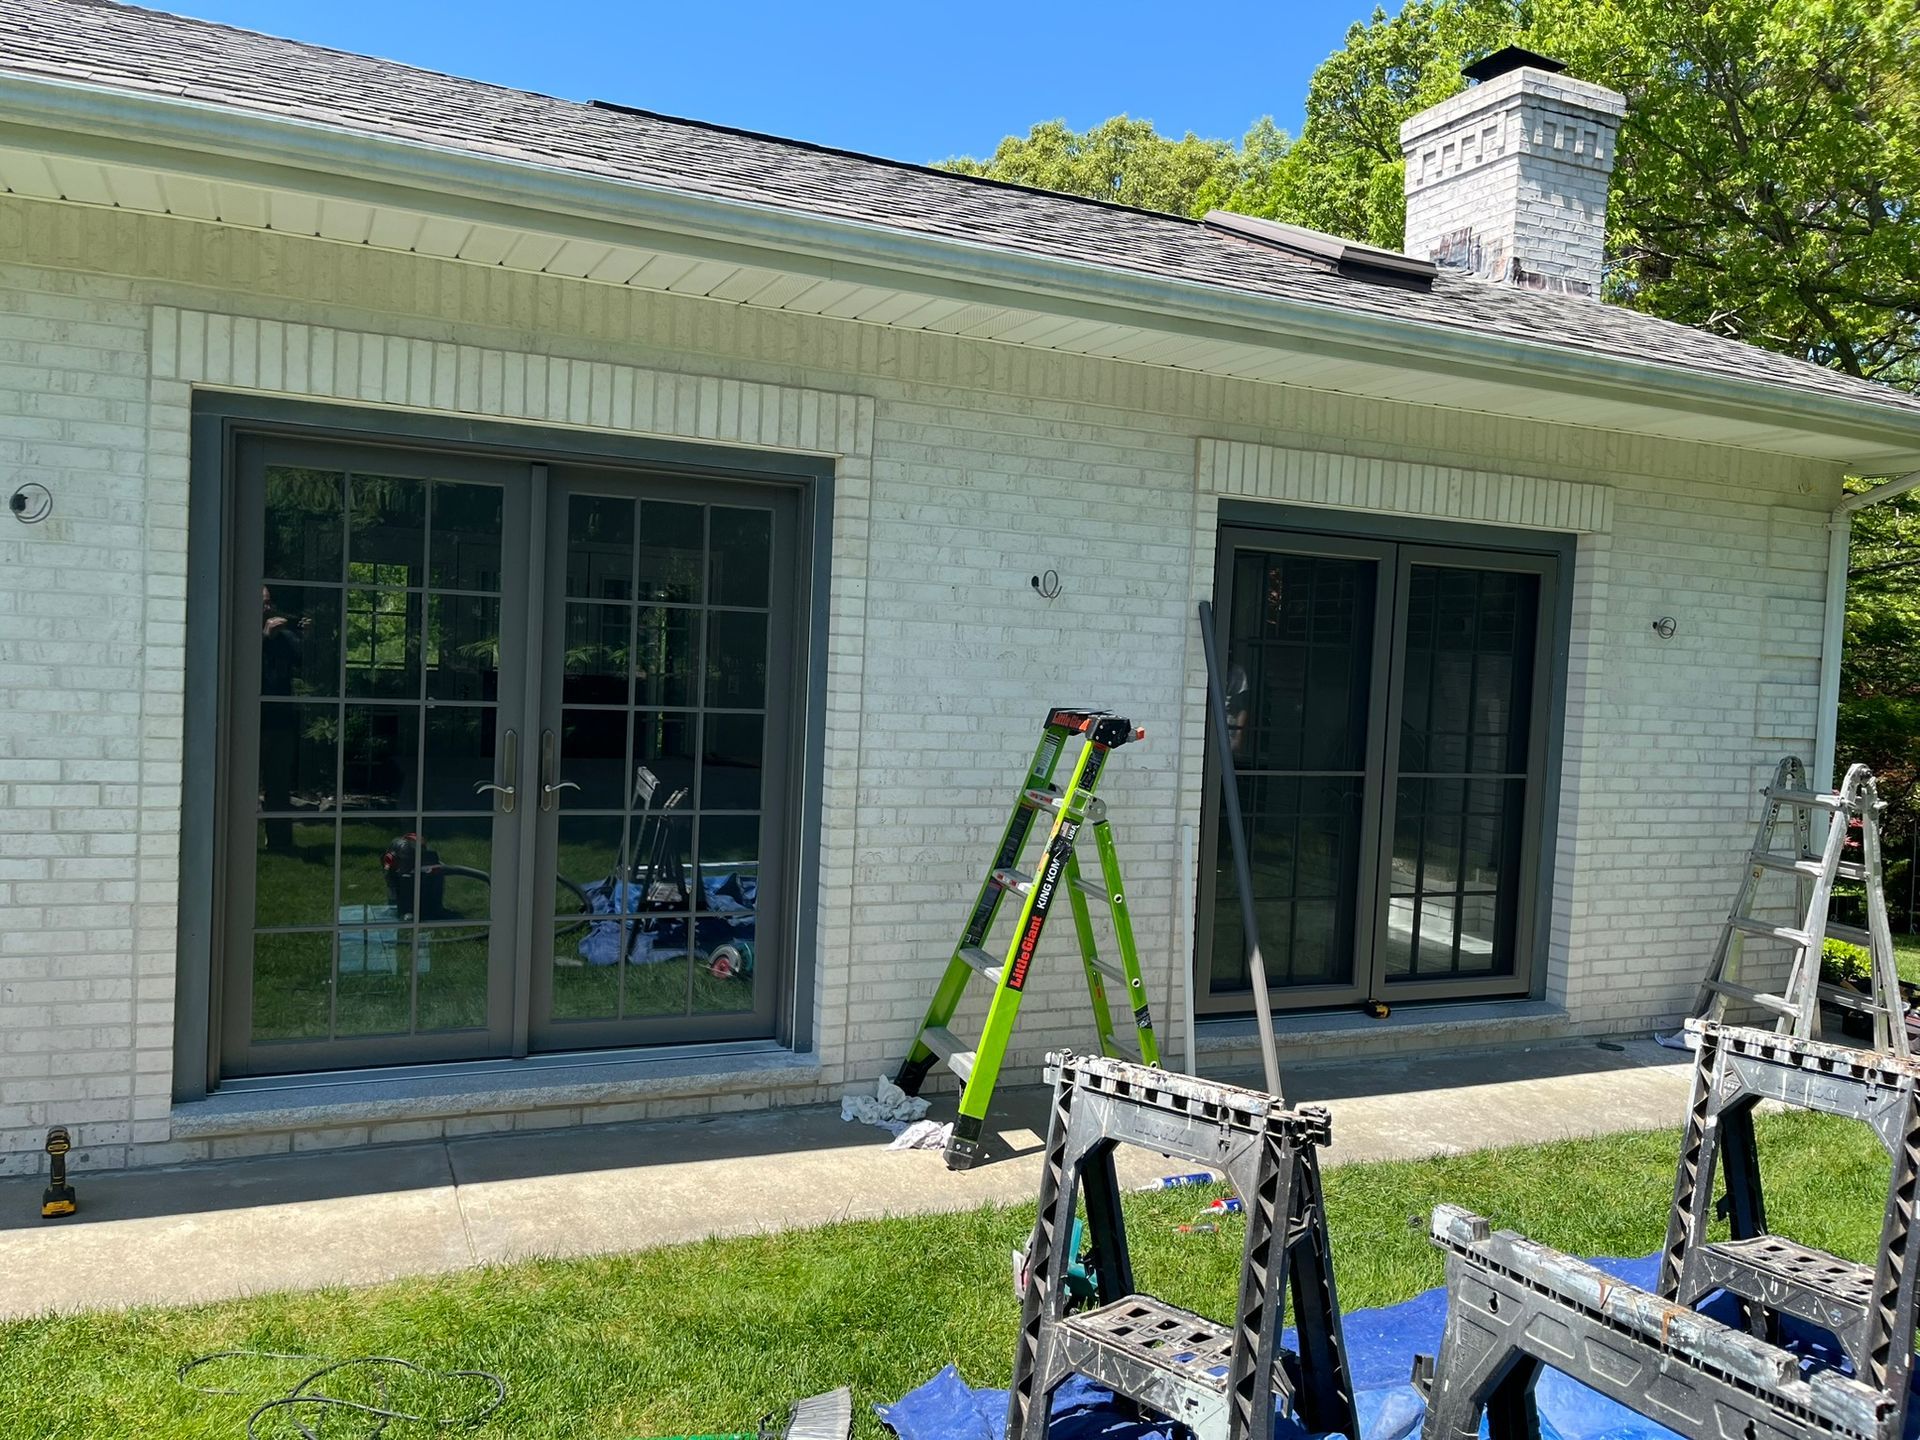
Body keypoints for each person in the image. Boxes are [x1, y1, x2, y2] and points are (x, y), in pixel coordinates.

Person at [259, 586, 309, 851]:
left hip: (279, 721)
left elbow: (306, 662)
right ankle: (235, 840)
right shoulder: (240, 633)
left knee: (278, 786)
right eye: (262, 603)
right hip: (249, 722)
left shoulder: (285, 638)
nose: (267, 608)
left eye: (269, 603)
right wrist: (264, 638)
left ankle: (279, 842)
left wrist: (306, 636)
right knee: (239, 784)